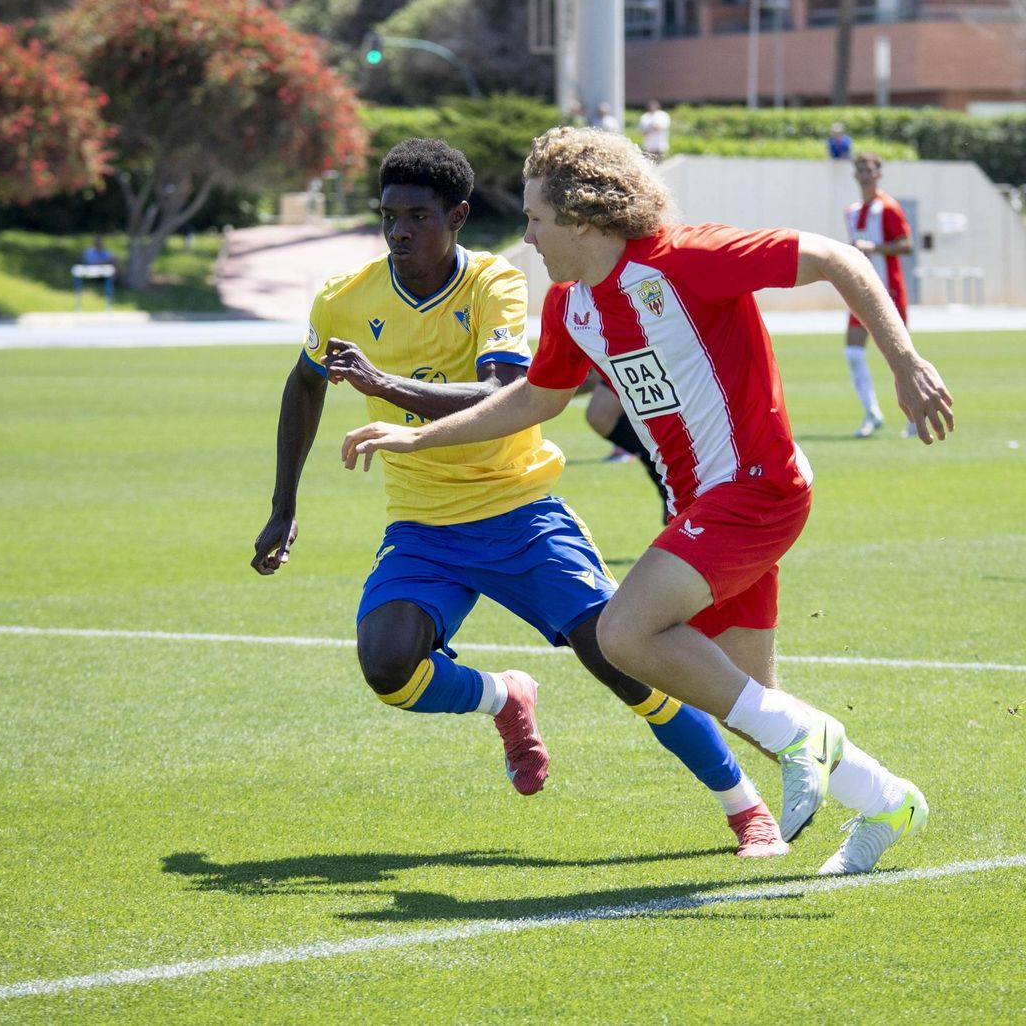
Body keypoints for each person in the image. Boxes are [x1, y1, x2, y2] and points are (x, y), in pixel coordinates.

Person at [343, 126, 954, 875]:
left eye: (536, 218)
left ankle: (813, 741)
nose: (527, 236)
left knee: (624, 634)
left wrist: (905, 362)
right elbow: (536, 397)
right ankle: (888, 800)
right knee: (752, 704)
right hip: (702, 511)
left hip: (756, 490)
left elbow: (836, 257)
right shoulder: (573, 305)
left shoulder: (687, 258)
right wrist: (415, 440)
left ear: (584, 216)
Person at [254, 137, 787, 859]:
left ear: (459, 216)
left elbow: (508, 392)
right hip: (424, 526)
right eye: (389, 216)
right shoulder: (344, 298)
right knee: (387, 667)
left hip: (520, 515)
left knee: (618, 657)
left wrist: (389, 388)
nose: (400, 231)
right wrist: (284, 506)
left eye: (417, 216)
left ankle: (744, 807)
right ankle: (506, 697)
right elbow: (305, 382)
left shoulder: (493, 283)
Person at [843, 152, 916, 438]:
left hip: (889, 290)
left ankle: (914, 415)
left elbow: (906, 245)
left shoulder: (888, 208)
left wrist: (874, 248)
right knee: (852, 352)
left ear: (879, 173)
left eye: (869, 168)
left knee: (899, 354)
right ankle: (872, 413)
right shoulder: (851, 210)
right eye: (860, 168)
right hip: (859, 290)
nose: (864, 173)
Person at [578, 363, 670, 522]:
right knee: (600, 415)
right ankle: (666, 477)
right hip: (625, 349)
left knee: (600, 415)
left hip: (662, 347)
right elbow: (591, 380)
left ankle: (671, 478)